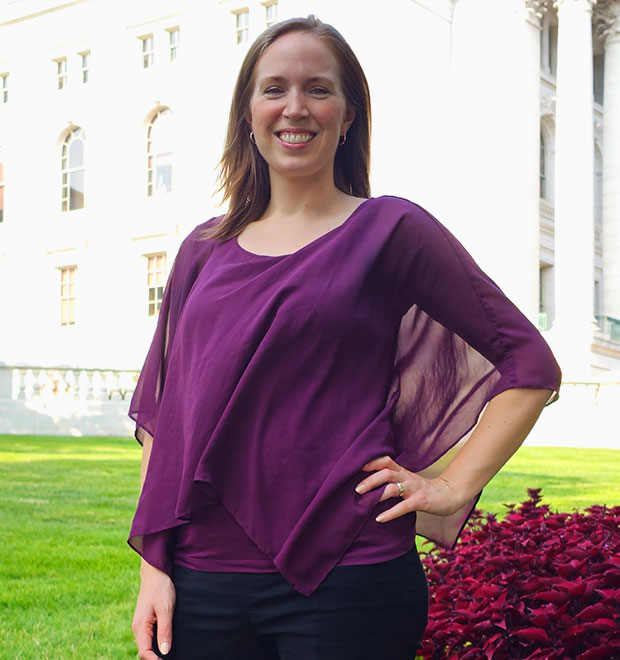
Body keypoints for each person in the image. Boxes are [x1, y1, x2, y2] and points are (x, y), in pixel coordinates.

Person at [128, 15, 561, 660]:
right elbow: (166, 419)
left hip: (349, 574)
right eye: (273, 89)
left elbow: (529, 364)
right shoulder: (201, 250)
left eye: (318, 89)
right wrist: (154, 567)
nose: (294, 107)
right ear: (248, 113)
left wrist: (450, 485)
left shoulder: (392, 230)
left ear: (349, 114)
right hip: (203, 575)